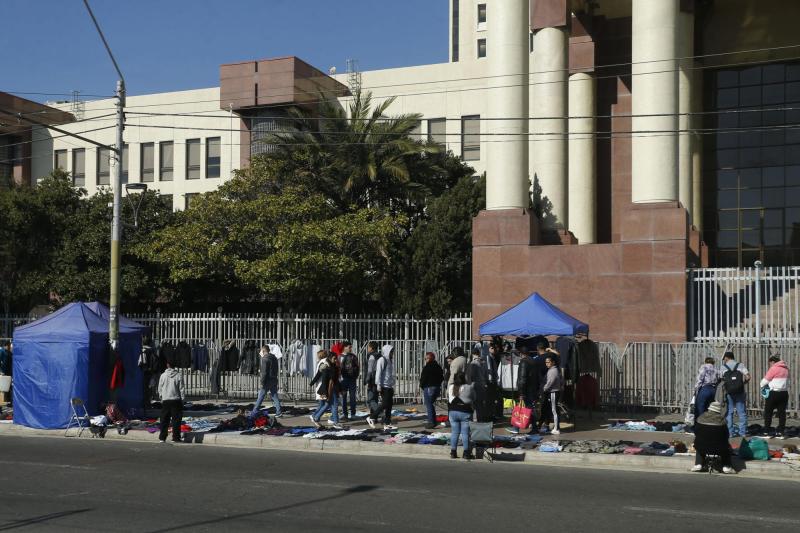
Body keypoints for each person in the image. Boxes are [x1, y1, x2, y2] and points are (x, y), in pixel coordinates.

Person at [690, 401, 735, 474]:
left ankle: (698, 464)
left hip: (701, 446)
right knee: (726, 449)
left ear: (709, 409)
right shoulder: (722, 420)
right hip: (719, 448)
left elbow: (696, 432)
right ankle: (726, 466)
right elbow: (726, 435)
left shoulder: (701, 417)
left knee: (700, 446)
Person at [512, 345, 542, 434]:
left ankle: (516, 428)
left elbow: (522, 378)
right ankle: (533, 427)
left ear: (521, 354)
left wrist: (521, 393)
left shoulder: (524, 362)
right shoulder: (533, 361)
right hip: (533, 389)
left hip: (526, 390)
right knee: (529, 409)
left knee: (523, 409)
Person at [309, 350, 343, 429]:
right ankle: (336, 422)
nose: (336, 360)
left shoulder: (333, 366)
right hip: (329, 389)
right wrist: (325, 392)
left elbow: (336, 380)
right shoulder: (326, 367)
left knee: (328, 404)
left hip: (333, 389)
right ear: (330, 358)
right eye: (334, 359)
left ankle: (316, 417)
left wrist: (340, 389)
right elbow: (324, 380)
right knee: (333, 405)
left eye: (336, 359)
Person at [720, 351, 750, 437]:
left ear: (727, 357)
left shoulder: (723, 367)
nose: (724, 360)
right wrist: (743, 383)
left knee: (729, 412)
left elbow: (721, 378)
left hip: (729, 392)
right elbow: (748, 376)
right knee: (742, 412)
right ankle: (743, 432)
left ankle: (730, 433)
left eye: (724, 359)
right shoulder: (740, 365)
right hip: (740, 391)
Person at [760, 355, 790, 439]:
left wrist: (761, 384)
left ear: (773, 362)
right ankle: (781, 432)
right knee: (782, 413)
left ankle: (767, 432)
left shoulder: (774, 368)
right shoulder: (786, 369)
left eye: (770, 363)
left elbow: (765, 381)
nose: (770, 365)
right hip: (784, 393)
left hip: (773, 393)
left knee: (768, 412)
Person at [448, 371, 475, 460]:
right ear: (464, 378)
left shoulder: (451, 387)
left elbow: (448, 397)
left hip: (452, 411)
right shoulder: (469, 387)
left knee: (455, 432)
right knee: (465, 433)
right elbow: (474, 398)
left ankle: (453, 452)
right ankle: (466, 453)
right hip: (465, 411)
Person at [368, 345, 396, 430]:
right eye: (391, 351)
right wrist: (378, 384)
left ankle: (387, 423)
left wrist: (393, 383)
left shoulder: (390, 360)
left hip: (389, 386)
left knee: (389, 405)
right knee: (385, 404)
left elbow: (390, 373)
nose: (392, 353)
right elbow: (378, 373)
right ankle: (372, 417)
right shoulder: (382, 360)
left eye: (392, 351)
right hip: (384, 386)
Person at [250, 345, 282, 419]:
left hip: (267, 380)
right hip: (274, 379)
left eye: (262, 351)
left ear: (264, 351)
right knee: (275, 396)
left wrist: (262, 382)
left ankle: (254, 411)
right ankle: (279, 411)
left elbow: (264, 372)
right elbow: (276, 369)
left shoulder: (265, 359)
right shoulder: (274, 358)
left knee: (260, 397)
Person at [158, 358, 185, 443]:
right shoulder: (178, 375)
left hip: (166, 400)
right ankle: (176, 437)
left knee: (164, 420)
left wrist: (161, 397)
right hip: (176, 400)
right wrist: (183, 400)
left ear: (167, 365)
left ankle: (162, 437)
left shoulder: (163, 375)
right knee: (176, 420)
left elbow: (159, 388)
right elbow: (182, 389)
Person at [419, 351, 444, 429]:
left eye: (426, 358)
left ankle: (431, 422)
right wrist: (438, 384)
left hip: (429, 387)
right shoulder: (438, 366)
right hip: (436, 387)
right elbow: (441, 377)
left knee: (429, 405)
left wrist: (422, 386)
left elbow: (423, 378)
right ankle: (433, 420)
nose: (425, 360)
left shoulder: (427, 367)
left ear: (429, 359)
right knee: (431, 404)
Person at [541, 355, 563, 435]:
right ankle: (556, 427)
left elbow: (550, 382)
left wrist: (544, 389)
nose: (547, 364)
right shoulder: (553, 370)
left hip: (553, 392)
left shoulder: (553, 371)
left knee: (554, 410)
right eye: (546, 362)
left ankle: (556, 428)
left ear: (553, 362)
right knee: (554, 409)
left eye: (548, 362)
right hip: (553, 391)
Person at [466, 347, 490, 422]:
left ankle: (475, 421)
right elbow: (486, 374)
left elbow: (472, 376)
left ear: (472, 354)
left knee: (474, 404)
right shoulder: (483, 362)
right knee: (481, 404)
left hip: (475, 385)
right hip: (483, 384)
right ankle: (481, 420)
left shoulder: (473, 363)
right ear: (478, 353)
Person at [338, 341, 359, 421]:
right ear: (345, 347)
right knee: (343, 397)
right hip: (343, 380)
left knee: (352, 397)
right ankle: (345, 414)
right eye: (349, 347)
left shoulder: (353, 356)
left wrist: (355, 376)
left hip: (352, 379)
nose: (350, 349)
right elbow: (337, 368)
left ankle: (353, 414)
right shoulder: (339, 356)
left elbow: (357, 366)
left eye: (351, 347)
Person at [364, 341, 381, 420]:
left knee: (370, 400)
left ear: (371, 348)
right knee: (375, 398)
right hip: (378, 379)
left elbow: (370, 370)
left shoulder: (371, 356)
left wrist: (367, 379)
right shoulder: (379, 355)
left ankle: (381, 413)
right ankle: (374, 417)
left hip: (372, 380)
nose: (368, 349)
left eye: (368, 347)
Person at [488, 342, 504, 420]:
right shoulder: (489, 358)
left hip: (496, 380)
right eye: (492, 348)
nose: (494, 349)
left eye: (494, 348)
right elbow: (490, 370)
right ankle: (494, 414)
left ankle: (498, 414)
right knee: (493, 399)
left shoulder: (496, 357)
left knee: (498, 398)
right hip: (492, 381)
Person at [0, 341, 12, 407]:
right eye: (9, 346)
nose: (10, 347)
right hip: (4, 372)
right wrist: (1, 371)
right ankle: (5, 402)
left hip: (9, 372)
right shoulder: (2, 351)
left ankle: (8, 401)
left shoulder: (9, 352)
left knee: (8, 387)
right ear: (6, 345)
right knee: (4, 388)